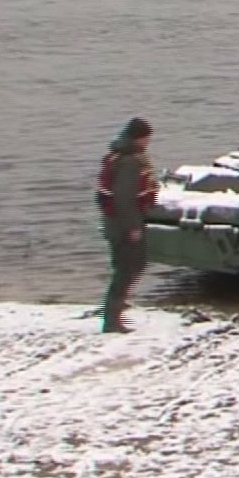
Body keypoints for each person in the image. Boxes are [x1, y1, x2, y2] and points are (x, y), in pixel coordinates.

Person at [94, 116, 156, 334]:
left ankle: (115, 310)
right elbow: (124, 198)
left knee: (127, 267)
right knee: (128, 268)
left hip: (115, 223)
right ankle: (112, 318)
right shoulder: (130, 162)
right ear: (139, 138)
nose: (148, 142)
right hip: (123, 224)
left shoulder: (118, 156)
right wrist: (134, 227)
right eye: (147, 138)